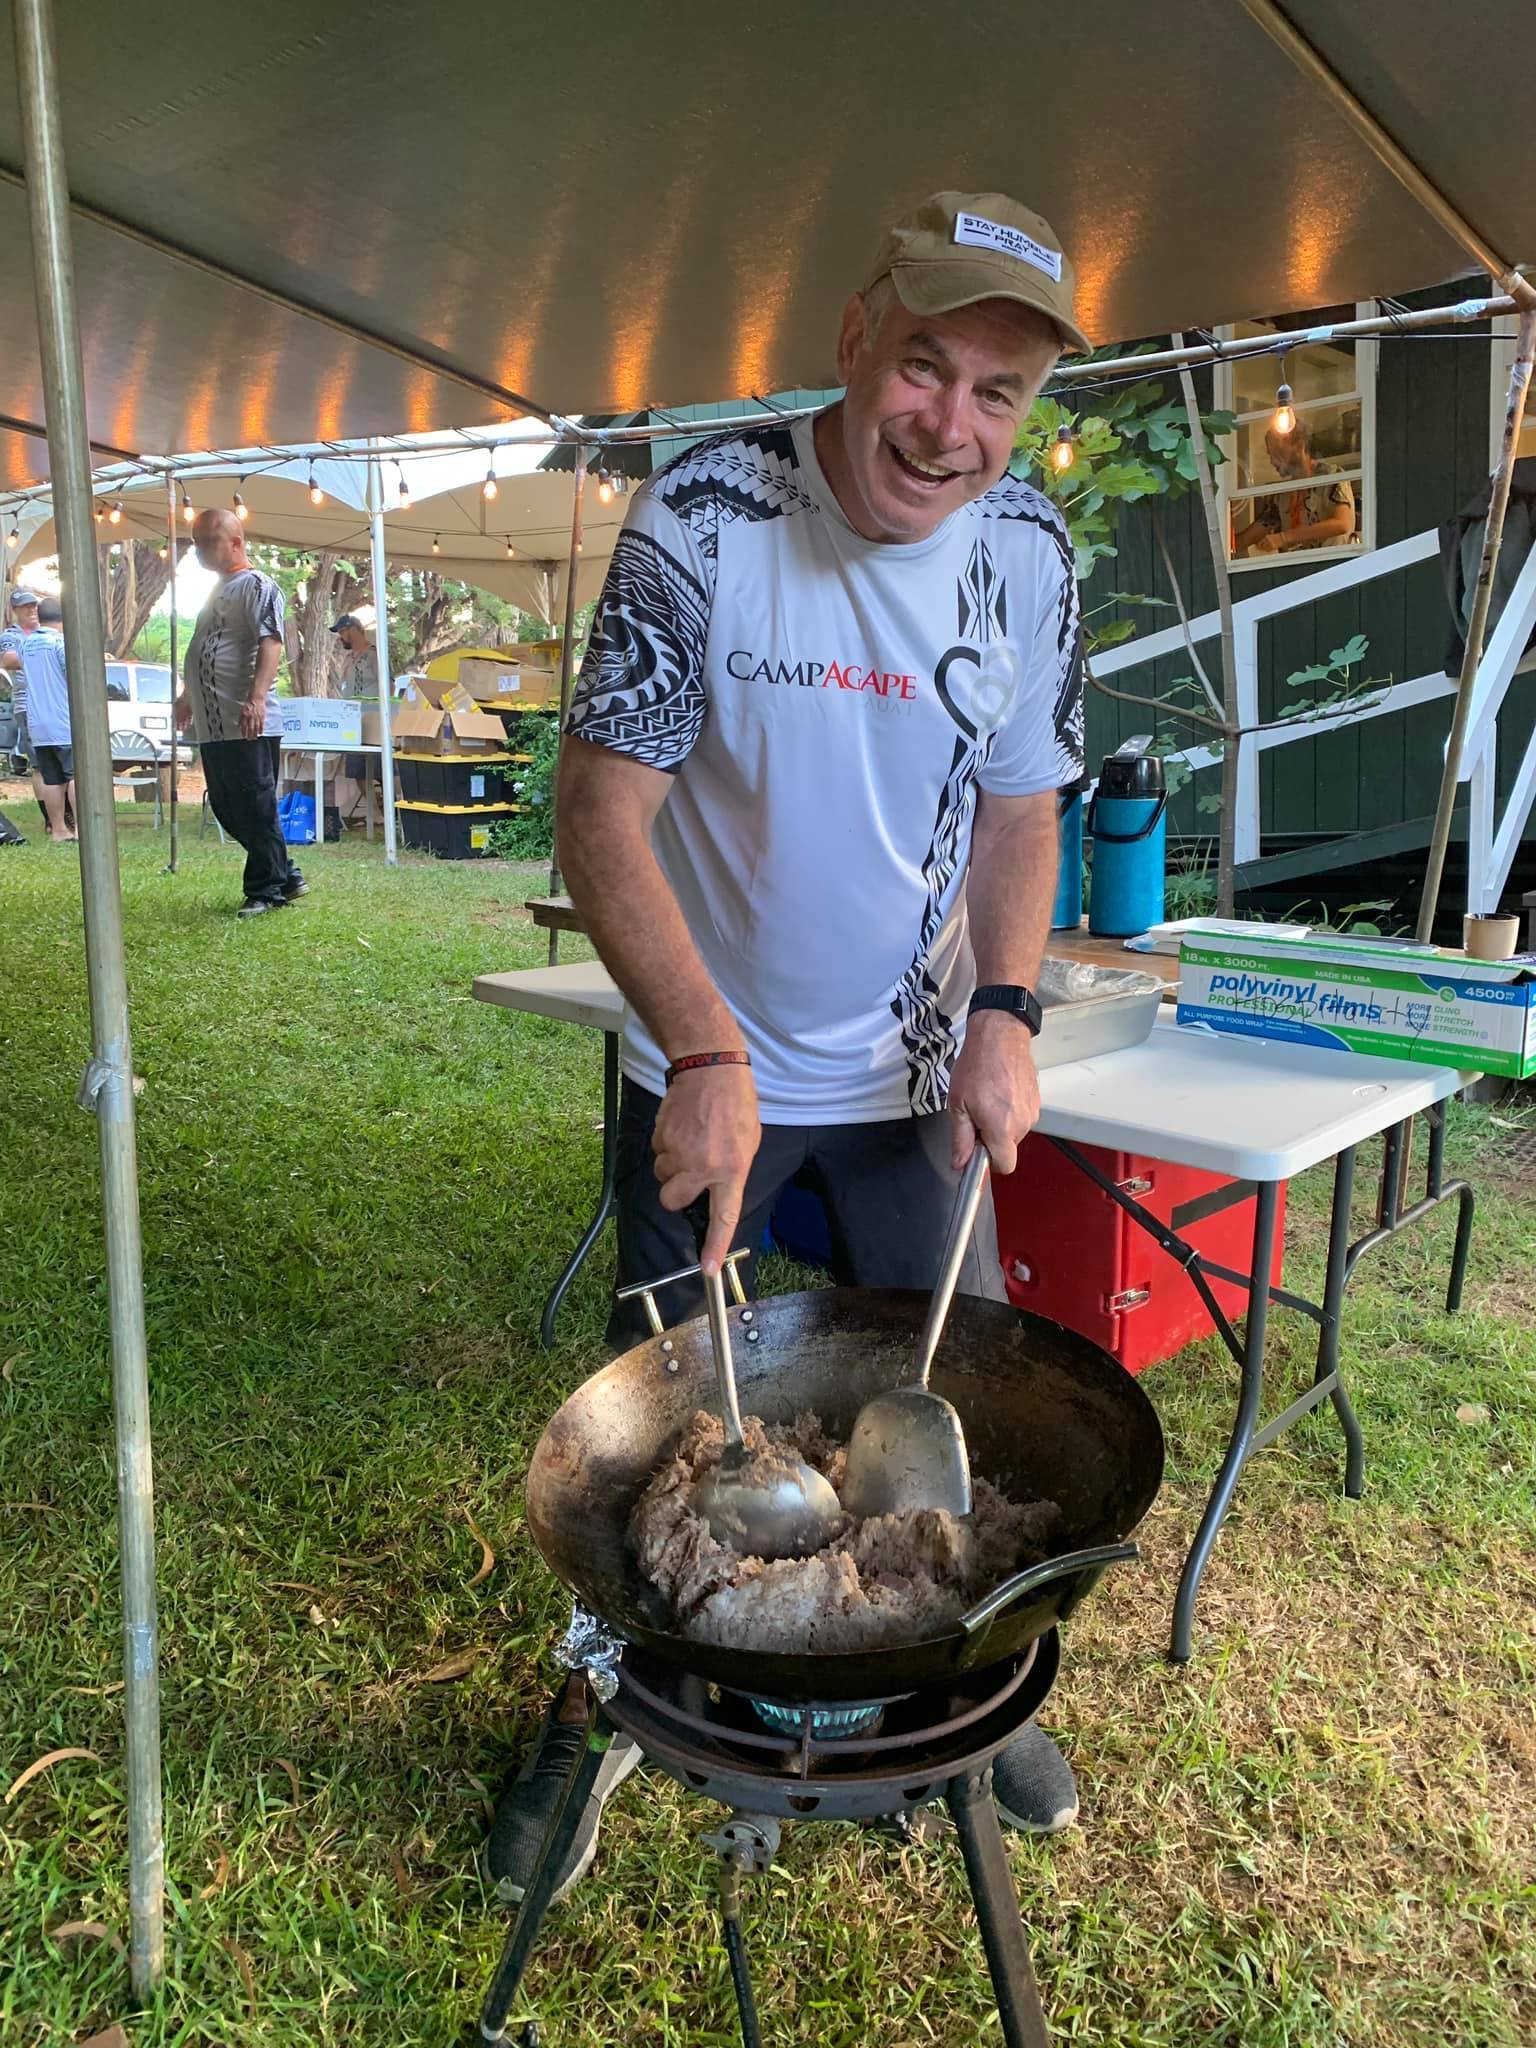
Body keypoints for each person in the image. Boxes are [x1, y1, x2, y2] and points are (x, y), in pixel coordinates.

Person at [488, 191, 1089, 1904]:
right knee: (657, 1435)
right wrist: (701, 1046)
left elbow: (1024, 812)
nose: (948, 426)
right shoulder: (707, 513)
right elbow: (602, 812)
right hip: (706, 1077)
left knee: (936, 1408)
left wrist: (1002, 1012)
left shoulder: (1028, 552)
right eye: (923, 365)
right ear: (854, 331)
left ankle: (959, 1676)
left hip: (913, 1087)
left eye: (995, 393)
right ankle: (602, 1691)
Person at [175, 508, 306, 917]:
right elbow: (206, 645)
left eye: (209, 540)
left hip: (247, 720)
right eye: (196, 541)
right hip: (215, 726)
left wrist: (258, 698)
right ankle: (286, 874)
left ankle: (266, 889)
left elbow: (270, 642)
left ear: (236, 542)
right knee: (226, 806)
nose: (200, 550)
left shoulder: (257, 584)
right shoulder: (218, 590)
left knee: (255, 803)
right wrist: (187, 694)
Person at [1232, 416, 1356, 558]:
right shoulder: (1282, 494)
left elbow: (1342, 524)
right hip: (1296, 573)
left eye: (1277, 452)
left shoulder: (1332, 475)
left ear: (1300, 446)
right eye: (1270, 455)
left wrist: (1284, 537)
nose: (1272, 461)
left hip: (1331, 568)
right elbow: (1244, 540)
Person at [19, 596, 76, 843]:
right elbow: (72, 673)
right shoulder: (61, 644)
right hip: (63, 721)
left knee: (52, 778)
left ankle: (59, 829)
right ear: (63, 619)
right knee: (76, 777)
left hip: (38, 723)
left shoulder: (25, 644)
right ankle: (83, 828)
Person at [1, 587, 50, 826]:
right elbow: (9, 659)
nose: (32, 610)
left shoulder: (47, 633)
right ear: (15, 612)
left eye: (34, 605)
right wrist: (40, 656)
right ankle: (50, 817)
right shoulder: (13, 635)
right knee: (40, 762)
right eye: (25, 607)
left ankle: (64, 814)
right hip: (28, 705)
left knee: (59, 759)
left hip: (54, 704)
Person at [329, 613, 378, 696]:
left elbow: (389, 686)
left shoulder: (374, 655)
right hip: (349, 707)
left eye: (342, 632)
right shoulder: (348, 658)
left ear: (353, 630)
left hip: (369, 708)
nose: (340, 637)